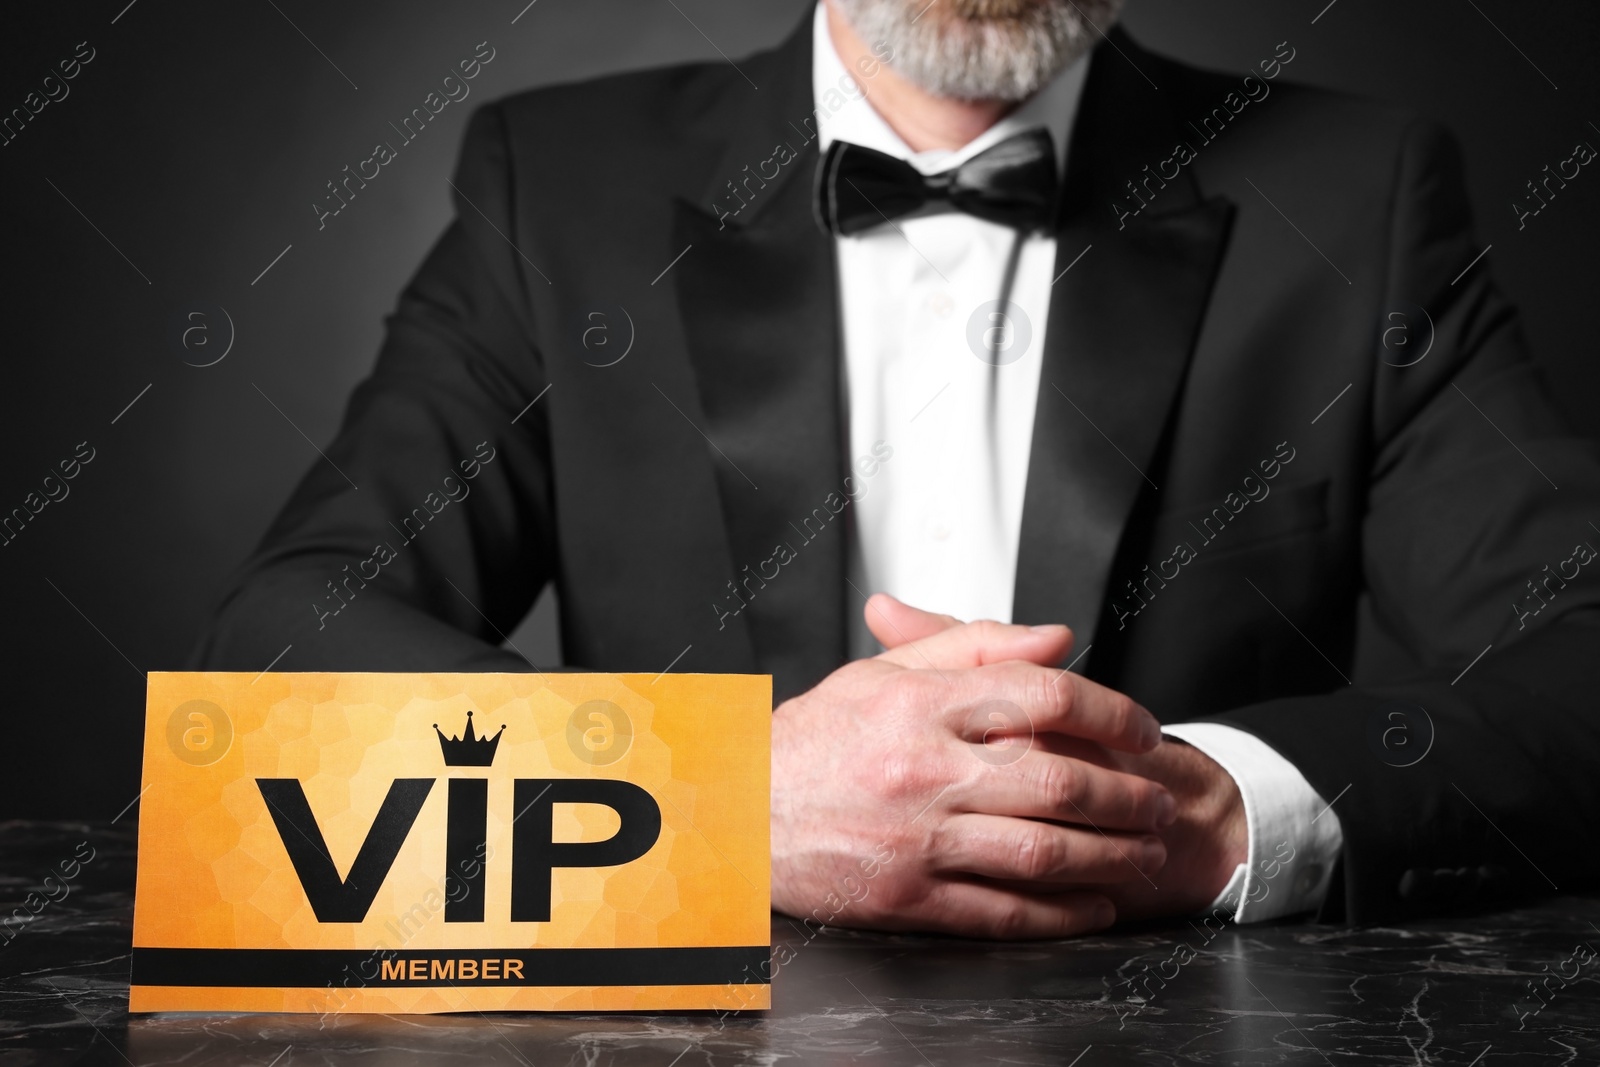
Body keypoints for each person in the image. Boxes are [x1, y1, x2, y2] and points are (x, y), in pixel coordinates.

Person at [194, 0, 1600, 938]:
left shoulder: (1363, 186)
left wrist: (1215, 815)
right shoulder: (555, 178)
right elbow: (286, 643)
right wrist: (718, 804)